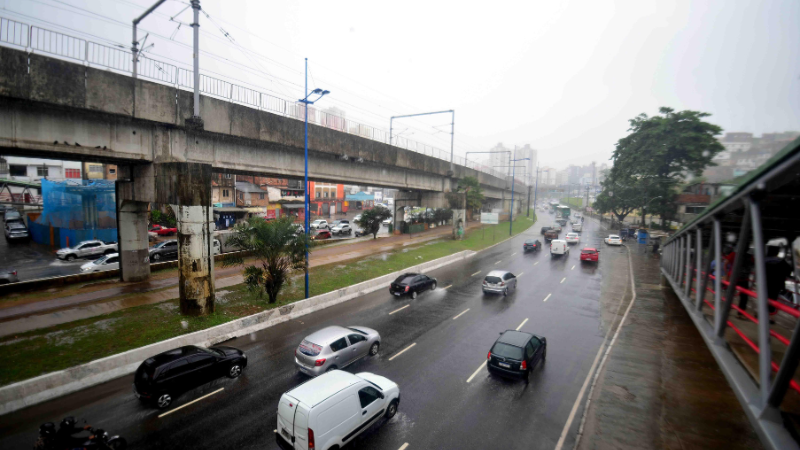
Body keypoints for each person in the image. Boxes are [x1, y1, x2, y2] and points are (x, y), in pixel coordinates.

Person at [764, 245, 792, 324]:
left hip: (765, 284)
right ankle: (771, 318)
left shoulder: (764, 261)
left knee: (764, 299)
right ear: (777, 252)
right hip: (777, 284)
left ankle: (761, 314)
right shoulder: (781, 261)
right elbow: (789, 271)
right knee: (773, 300)